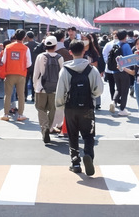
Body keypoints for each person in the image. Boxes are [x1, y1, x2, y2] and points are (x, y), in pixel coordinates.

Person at [55, 40, 103, 176]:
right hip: (87, 107)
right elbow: (99, 89)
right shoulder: (92, 69)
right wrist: (92, 95)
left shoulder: (65, 70)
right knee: (88, 135)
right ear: (84, 51)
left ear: (70, 52)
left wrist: (60, 105)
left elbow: (60, 91)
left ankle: (75, 162)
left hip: (71, 107)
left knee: (73, 135)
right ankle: (88, 155)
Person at [33, 35, 63, 143]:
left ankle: (44, 127)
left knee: (41, 109)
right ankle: (49, 127)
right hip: (55, 88)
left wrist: (35, 86)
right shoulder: (60, 57)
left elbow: (36, 73)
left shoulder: (41, 56)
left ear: (45, 45)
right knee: (52, 109)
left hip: (41, 88)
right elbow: (62, 74)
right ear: (55, 46)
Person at [0, 29, 31, 122]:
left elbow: (3, 60)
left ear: (15, 36)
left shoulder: (8, 47)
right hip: (21, 74)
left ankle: (5, 114)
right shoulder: (26, 48)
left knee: (8, 94)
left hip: (9, 74)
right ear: (24, 37)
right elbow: (29, 63)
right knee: (21, 95)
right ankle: (20, 115)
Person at [112, 30, 134, 116]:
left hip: (115, 71)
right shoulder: (126, 46)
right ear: (125, 36)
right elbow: (131, 58)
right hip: (124, 70)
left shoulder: (115, 45)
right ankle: (122, 109)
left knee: (118, 88)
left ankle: (113, 102)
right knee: (125, 90)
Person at [84, 33, 104, 110]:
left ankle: (96, 104)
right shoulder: (80, 49)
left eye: (86, 39)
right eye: (83, 39)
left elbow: (96, 63)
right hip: (82, 73)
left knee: (94, 87)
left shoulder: (94, 50)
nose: (84, 41)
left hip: (92, 72)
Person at [24, 31, 39, 102]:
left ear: (27, 37)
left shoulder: (25, 45)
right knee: (34, 82)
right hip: (35, 65)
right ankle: (34, 96)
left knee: (25, 82)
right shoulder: (38, 45)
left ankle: (24, 96)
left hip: (26, 66)